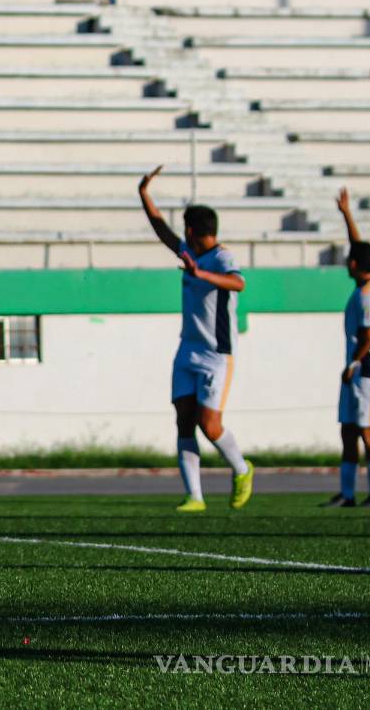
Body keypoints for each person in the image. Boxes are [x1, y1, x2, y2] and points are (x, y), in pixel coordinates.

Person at [138, 166, 254, 512]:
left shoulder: (221, 257)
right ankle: (195, 496)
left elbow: (238, 283)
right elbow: (162, 231)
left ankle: (243, 469)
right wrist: (144, 194)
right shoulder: (189, 252)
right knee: (184, 419)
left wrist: (200, 274)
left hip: (216, 353)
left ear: (192, 229)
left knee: (210, 424)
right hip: (187, 348)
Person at [323, 189, 370, 509]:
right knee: (349, 431)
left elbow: (368, 337)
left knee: (369, 433)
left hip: (366, 370)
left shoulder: (367, 297)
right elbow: (360, 248)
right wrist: (346, 214)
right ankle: (347, 494)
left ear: (354, 265)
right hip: (356, 369)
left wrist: (353, 364)